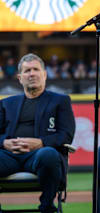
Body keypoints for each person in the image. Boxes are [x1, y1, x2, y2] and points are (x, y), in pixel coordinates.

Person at [0, 53, 75, 213]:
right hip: (9, 155)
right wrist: (4, 143)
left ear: (44, 74)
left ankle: (47, 207)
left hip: (39, 156)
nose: (32, 74)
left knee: (48, 154)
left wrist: (41, 143)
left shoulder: (60, 101)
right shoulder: (6, 103)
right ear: (20, 77)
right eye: (27, 71)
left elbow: (66, 135)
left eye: (35, 69)